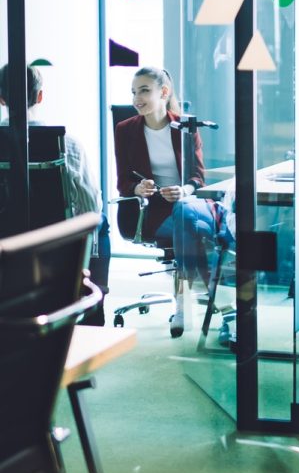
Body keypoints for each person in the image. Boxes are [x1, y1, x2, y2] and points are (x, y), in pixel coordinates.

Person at [114, 66, 227, 338]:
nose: (136, 98)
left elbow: (198, 177)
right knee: (201, 230)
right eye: (133, 92)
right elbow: (123, 182)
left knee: (185, 211)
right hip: (154, 213)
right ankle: (221, 304)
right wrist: (138, 187)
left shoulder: (185, 127)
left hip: (188, 203)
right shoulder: (125, 130)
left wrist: (184, 190)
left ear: (163, 92)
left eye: (144, 90)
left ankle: (183, 304)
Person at [0, 63, 111, 326]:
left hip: (6, 244)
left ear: (1, 98)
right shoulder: (67, 145)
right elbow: (89, 207)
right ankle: (90, 303)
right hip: (55, 243)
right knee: (101, 221)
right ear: (40, 96)